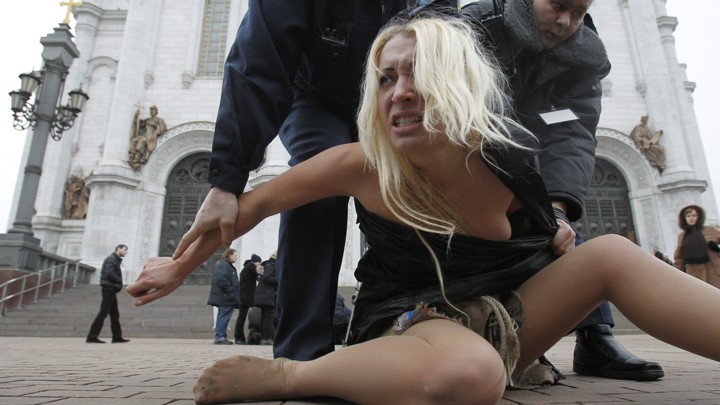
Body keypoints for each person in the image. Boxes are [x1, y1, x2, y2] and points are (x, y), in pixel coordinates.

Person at [129, 18, 720, 404]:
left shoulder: (507, 158)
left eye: (419, 73)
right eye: (386, 78)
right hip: (416, 323)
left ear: (460, 83)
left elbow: (550, 222)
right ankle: (292, 375)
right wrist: (179, 267)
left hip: (509, 319)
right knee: (473, 376)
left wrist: (559, 227)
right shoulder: (359, 165)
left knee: (611, 253)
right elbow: (250, 208)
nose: (400, 91)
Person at [166, 0, 458, 362]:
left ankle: (403, 324)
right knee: (317, 178)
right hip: (315, 95)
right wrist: (227, 178)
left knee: (412, 178)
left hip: (396, 90)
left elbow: (450, 46)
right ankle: (301, 353)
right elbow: (259, 60)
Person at [461, 0, 663, 381]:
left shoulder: (586, 57)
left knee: (557, 233)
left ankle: (595, 337)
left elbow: (572, 132)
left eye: (579, 13)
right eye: (558, 5)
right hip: (468, 156)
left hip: (530, 159)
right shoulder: (478, 23)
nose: (566, 22)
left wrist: (557, 209)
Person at [86, 244, 130, 344]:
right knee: (103, 312)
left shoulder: (114, 260)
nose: (126, 252)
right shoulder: (111, 259)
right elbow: (109, 273)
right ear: (118, 249)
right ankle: (92, 336)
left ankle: (117, 337)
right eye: (124, 250)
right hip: (109, 288)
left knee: (114, 314)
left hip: (111, 288)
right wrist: (119, 280)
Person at [673, 205, 720, 289]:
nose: (691, 218)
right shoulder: (682, 236)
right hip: (694, 273)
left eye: (694, 215)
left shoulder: (710, 229)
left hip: (713, 270)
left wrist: (717, 248)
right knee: (702, 294)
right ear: (684, 219)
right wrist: (674, 274)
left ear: (699, 217)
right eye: (688, 216)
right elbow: (679, 258)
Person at [207, 248, 240, 345]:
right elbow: (221, 279)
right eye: (235, 255)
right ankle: (220, 336)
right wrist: (230, 290)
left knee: (224, 316)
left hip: (227, 296)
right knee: (224, 316)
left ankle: (221, 335)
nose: (236, 257)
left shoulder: (228, 266)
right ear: (229, 255)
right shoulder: (224, 265)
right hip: (225, 296)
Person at [234, 254, 262, 344]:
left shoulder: (247, 267)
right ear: (256, 262)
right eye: (259, 262)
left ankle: (239, 337)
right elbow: (259, 272)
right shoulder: (251, 267)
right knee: (241, 317)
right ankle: (239, 337)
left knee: (241, 317)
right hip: (246, 297)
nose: (259, 264)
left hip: (244, 296)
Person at [129, 105, 167, 170]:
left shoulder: (159, 120)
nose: (151, 111)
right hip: (145, 134)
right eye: (150, 110)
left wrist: (156, 130)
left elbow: (162, 128)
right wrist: (136, 116)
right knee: (134, 140)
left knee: (141, 141)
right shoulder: (148, 120)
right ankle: (132, 156)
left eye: (153, 110)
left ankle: (137, 158)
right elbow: (140, 125)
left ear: (156, 112)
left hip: (151, 136)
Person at [253, 252, 278, 345]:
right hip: (266, 295)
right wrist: (279, 280)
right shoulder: (271, 266)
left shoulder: (268, 265)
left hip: (264, 295)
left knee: (265, 317)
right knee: (268, 317)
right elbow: (267, 278)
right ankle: (267, 338)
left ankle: (264, 338)